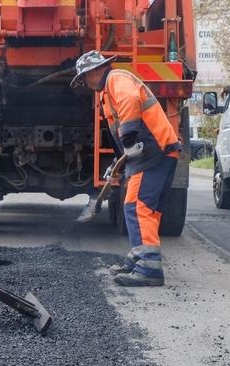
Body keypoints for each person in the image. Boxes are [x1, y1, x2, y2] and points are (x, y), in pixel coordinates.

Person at [71, 50, 181, 287]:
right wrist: (120, 161)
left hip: (153, 150)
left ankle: (149, 268)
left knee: (137, 206)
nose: (85, 84)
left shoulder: (116, 79)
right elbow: (120, 134)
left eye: (85, 78)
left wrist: (129, 138)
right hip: (150, 152)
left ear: (96, 71)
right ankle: (139, 256)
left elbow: (130, 103)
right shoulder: (105, 93)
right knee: (141, 207)